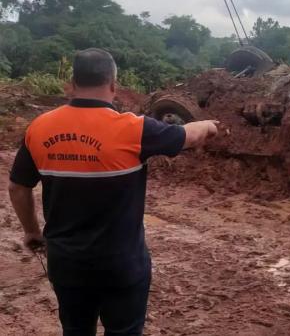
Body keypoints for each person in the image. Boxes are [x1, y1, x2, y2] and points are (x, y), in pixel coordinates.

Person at [8, 48, 219, 336]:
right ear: (114, 85)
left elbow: (18, 188)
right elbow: (190, 135)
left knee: (76, 330)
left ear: (72, 83)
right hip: (122, 264)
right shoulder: (135, 129)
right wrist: (207, 124)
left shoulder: (40, 128)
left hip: (66, 263)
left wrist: (32, 231)